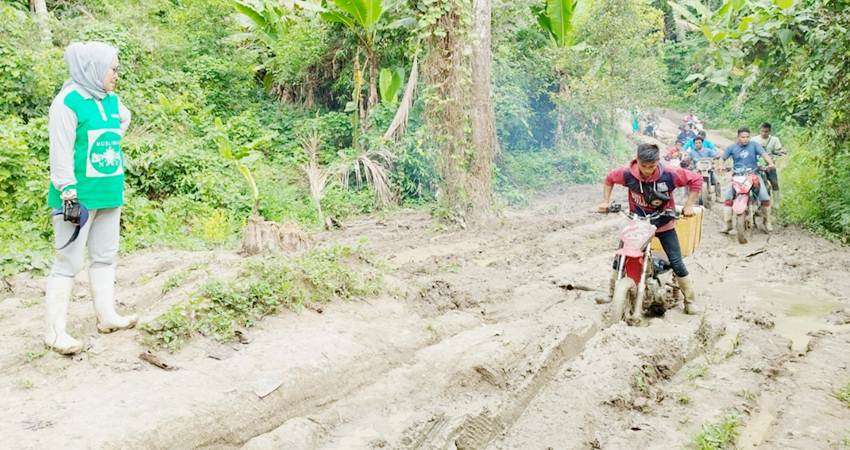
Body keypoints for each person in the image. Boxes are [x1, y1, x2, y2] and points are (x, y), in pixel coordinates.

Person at [43, 42, 137, 355]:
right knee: (68, 262)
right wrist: (68, 192)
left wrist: (115, 138)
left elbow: (124, 119)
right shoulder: (67, 102)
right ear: (93, 68)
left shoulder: (111, 100)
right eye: (113, 69)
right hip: (78, 197)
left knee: (105, 255)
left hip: (109, 191)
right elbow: (60, 151)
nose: (116, 75)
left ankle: (107, 316)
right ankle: (55, 332)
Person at [597, 144, 703, 315]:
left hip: (663, 223)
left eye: (651, 166)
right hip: (637, 224)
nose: (647, 170)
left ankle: (690, 301)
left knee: (676, 261)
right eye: (643, 166)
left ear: (657, 161)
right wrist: (605, 201)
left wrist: (689, 205)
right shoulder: (627, 173)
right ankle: (611, 293)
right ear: (637, 160)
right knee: (620, 257)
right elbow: (609, 179)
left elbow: (696, 180)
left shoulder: (670, 173)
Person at [721, 127, 776, 233]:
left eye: (747, 137)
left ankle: (767, 221)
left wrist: (770, 163)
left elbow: (764, 154)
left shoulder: (755, 145)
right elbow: (722, 158)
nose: (745, 139)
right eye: (743, 137)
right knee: (728, 198)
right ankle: (728, 224)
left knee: (765, 197)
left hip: (753, 175)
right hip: (737, 176)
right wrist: (720, 165)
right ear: (738, 137)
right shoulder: (731, 147)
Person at [752, 122, 783, 193]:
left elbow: (777, 150)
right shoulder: (754, 140)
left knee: (774, 183)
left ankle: (776, 199)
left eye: (766, 131)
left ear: (770, 131)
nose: (763, 133)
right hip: (757, 165)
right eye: (762, 131)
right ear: (759, 130)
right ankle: (755, 198)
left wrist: (780, 152)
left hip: (770, 165)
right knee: (755, 183)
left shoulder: (775, 139)